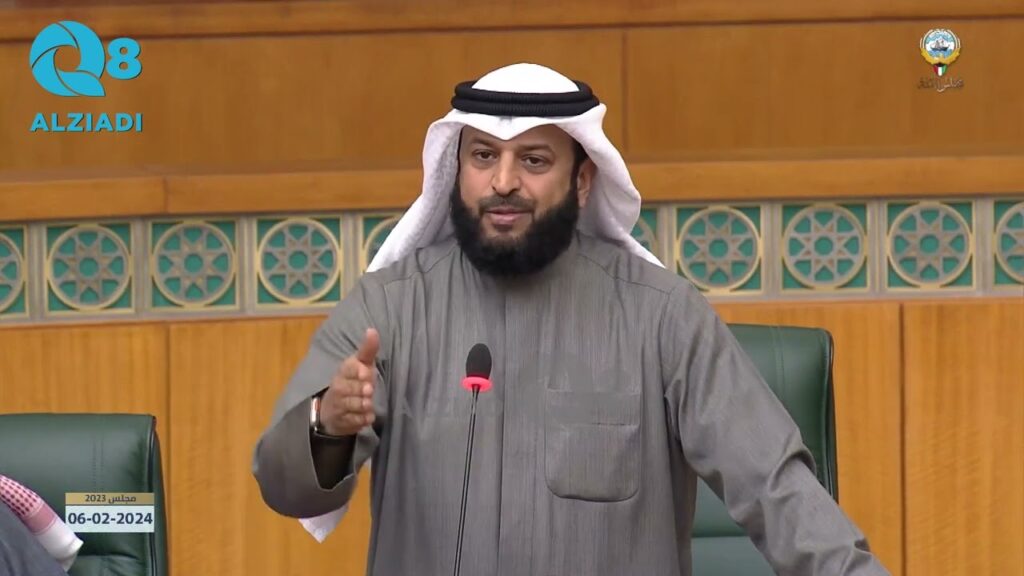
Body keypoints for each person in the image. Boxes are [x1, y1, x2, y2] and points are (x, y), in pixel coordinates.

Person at [252, 62, 890, 575]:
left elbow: (776, 489)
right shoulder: (388, 308)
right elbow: (286, 488)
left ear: (582, 182)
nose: (504, 181)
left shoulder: (663, 318)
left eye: (533, 160)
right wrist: (326, 426)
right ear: (456, 169)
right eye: (483, 157)